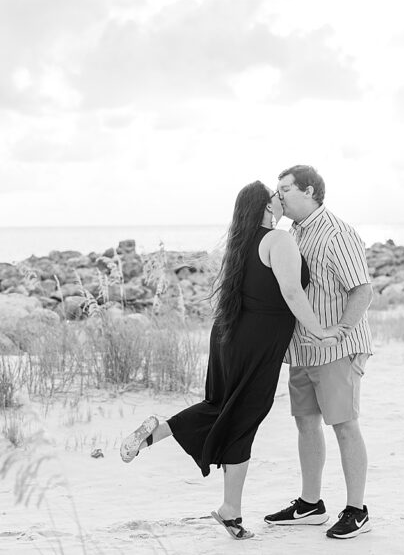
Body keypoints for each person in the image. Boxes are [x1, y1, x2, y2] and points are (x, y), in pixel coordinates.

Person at [119, 181, 340, 541]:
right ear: (267, 208)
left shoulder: (242, 244)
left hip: (230, 336)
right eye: (276, 196)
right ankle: (228, 508)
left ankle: (220, 499)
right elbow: (291, 292)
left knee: (225, 408)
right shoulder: (278, 240)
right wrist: (321, 330)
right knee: (242, 417)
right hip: (255, 343)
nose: (280, 199)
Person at [263, 165, 375, 540]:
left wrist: (339, 331)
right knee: (305, 422)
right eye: (277, 193)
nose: (279, 197)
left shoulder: (336, 233)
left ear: (309, 190)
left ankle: (358, 510)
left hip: (336, 350)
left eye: (285, 190)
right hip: (303, 350)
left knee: (344, 425)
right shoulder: (292, 233)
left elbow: (362, 290)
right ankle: (311, 505)